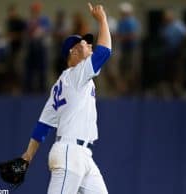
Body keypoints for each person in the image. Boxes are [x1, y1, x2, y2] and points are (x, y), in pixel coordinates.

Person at [21, 2, 111, 194]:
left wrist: (28, 156)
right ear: (73, 51)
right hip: (70, 153)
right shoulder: (77, 74)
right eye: (85, 44)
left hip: (82, 156)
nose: (90, 45)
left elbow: (42, 126)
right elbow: (105, 52)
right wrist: (103, 20)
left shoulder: (61, 83)